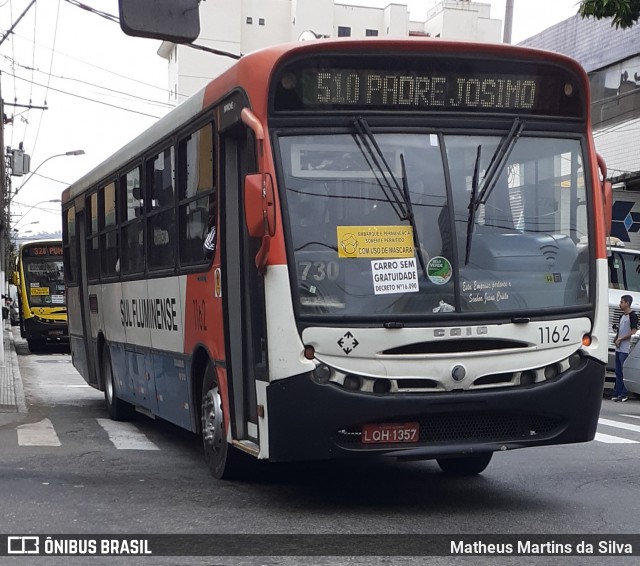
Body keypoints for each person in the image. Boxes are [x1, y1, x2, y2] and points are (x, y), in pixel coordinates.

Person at [613, 294, 638, 402]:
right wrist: (616, 340)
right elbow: (619, 330)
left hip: (626, 348)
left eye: (622, 302)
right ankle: (617, 392)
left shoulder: (633, 316)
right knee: (618, 371)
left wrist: (621, 339)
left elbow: (633, 331)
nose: (620, 304)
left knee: (623, 371)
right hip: (619, 348)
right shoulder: (621, 316)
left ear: (627, 303)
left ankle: (624, 393)